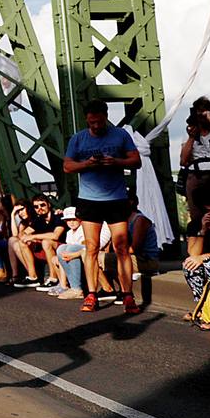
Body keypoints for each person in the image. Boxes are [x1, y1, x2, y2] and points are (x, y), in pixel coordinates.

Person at [62, 99, 141, 314]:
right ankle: (91, 294)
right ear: (87, 120)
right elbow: (67, 166)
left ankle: (128, 295)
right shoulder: (78, 139)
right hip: (90, 199)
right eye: (92, 123)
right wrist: (86, 164)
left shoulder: (120, 135)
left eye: (99, 122)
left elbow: (136, 161)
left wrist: (116, 162)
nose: (96, 126)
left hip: (115, 197)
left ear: (106, 116)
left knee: (122, 247)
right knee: (91, 246)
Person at [52, 207, 111, 300]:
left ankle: (77, 289)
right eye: (68, 220)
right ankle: (66, 285)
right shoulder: (69, 233)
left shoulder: (92, 226)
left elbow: (94, 245)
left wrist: (74, 254)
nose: (71, 222)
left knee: (71, 249)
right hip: (84, 252)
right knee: (61, 249)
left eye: (74, 220)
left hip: (95, 252)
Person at [9, 195, 66, 289]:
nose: (39, 208)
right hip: (46, 249)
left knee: (46, 242)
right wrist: (29, 238)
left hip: (61, 248)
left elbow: (55, 235)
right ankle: (33, 277)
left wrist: (34, 236)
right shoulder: (39, 220)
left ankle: (53, 279)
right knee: (21, 242)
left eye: (42, 205)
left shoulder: (58, 216)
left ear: (49, 205)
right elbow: (22, 236)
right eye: (36, 206)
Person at [182, 184, 210, 313]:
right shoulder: (195, 224)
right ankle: (203, 308)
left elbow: (200, 256)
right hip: (207, 262)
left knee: (209, 264)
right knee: (190, 265)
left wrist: (204, 257)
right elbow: (193, 253)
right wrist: (203, 230)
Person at [179, 103, 210, 225]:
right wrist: (191, 137)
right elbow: (183, 160)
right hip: (196, 175)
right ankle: (199, 234)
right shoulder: (190, 138)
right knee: (196, 214)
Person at [123, 192, 161, 281]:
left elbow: (134, 248)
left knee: (104, 259)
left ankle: (109, 289)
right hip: (132, 257)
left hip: (147, 261)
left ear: (130, 202)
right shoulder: (124, 220)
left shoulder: (139, 220)